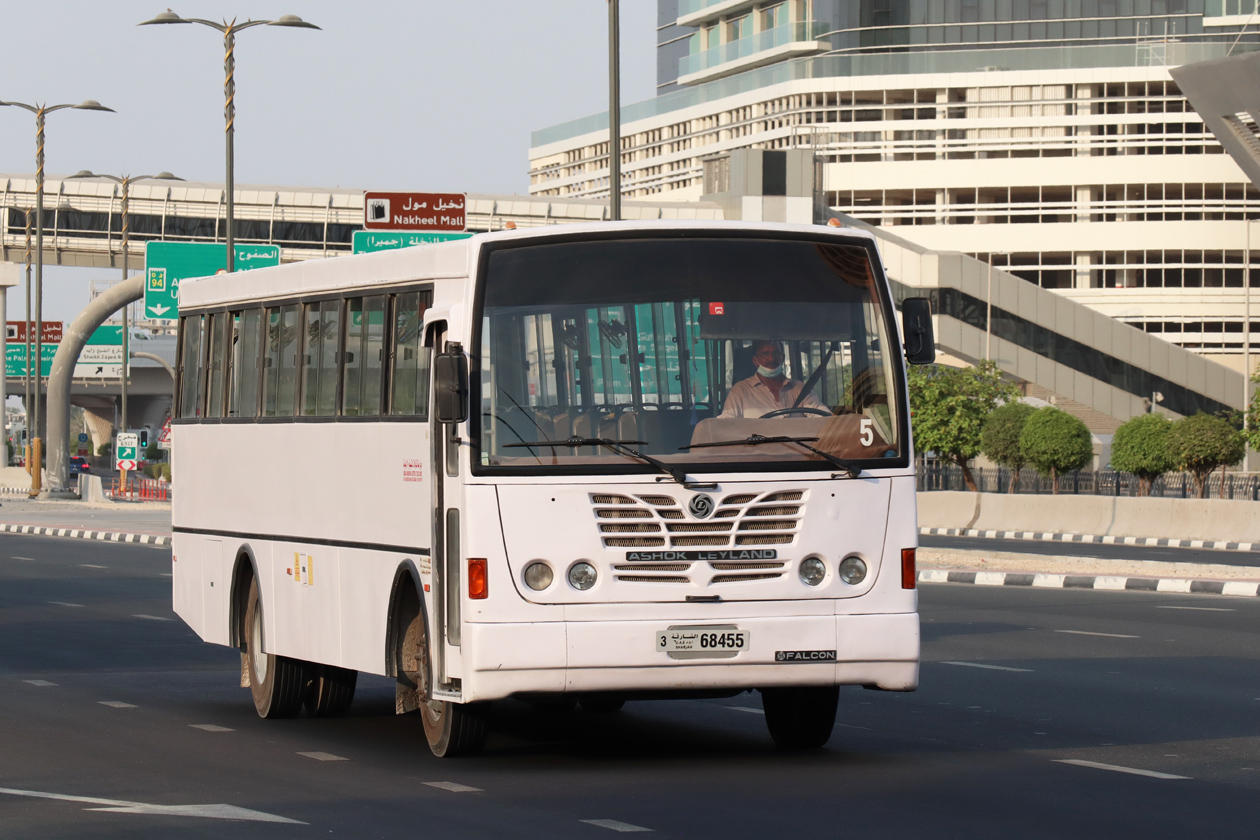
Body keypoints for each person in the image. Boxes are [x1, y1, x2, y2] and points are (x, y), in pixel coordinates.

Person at [719, 339, 827, 419]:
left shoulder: (800, 389)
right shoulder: (740, 391)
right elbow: (726, 423)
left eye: (776, 353)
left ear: (783, 358)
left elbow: (821, 415)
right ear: (755, 360)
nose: (771, 358)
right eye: (765, 354)